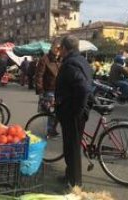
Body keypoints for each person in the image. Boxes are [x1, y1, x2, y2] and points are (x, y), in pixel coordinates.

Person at [55, 35, 93, 187]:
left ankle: (75, 183)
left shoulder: (70, 64)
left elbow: (83, 88)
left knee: (72, 148)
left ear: (64, 48)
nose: (59, 52)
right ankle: (69, 176)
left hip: (73, 113)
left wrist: (77, 111)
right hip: (75, 109)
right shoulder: (82, 60)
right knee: (71, 146)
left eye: (60, 48)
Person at [35, 40, 61, 114]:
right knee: (51, 116)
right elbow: (39, 76)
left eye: (60, 48)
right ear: (52, 47)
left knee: (57, 115)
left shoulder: (60, 59)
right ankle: (49, 126)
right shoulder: (44, 59)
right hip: (49, 90)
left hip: (59, 90)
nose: (58, 50)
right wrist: (40, 91)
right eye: (57, 48)